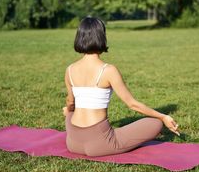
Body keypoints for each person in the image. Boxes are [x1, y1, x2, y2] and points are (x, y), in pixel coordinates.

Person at [63, 17, 180, 157]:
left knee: (69, 112)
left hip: (73, 142)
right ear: (102, 37)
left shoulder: (70, 70)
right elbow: (132, 105)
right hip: (99, 144)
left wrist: (68, 112)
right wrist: (163, 117)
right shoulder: (108, 70)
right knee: (155, 123)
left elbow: (70, 103)